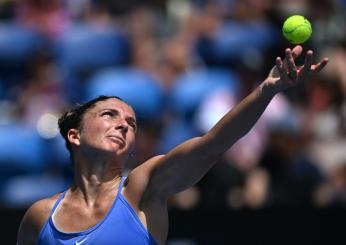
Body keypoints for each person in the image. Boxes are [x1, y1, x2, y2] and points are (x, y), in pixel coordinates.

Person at [17, 46, 328, 245]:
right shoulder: (40, 217)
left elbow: (212, 145)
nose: (124, 124)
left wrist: (264, 91)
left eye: (132, 123)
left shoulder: (143, 189)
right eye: (109, 115)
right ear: (75, 136)